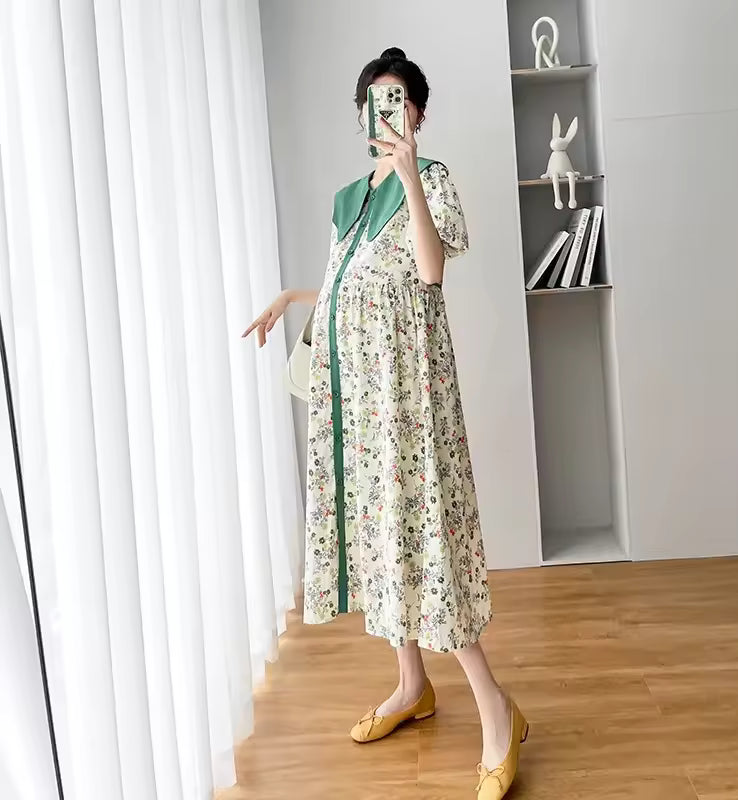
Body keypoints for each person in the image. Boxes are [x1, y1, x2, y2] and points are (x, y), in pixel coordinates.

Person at [243, 47, 527, 799]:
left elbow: (428, 272)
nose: (387, 110)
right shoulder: (346, 200)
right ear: (362, 112)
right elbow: (355, 282)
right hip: (359, 401)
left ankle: (497, 713)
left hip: (410, 396)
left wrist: (410, 175)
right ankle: (411, 685)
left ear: (418, 113)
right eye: (376, 99)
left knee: (424, 539)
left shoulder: (429, 179)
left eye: (399, 98)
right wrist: (293, 297)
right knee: (382, 540)